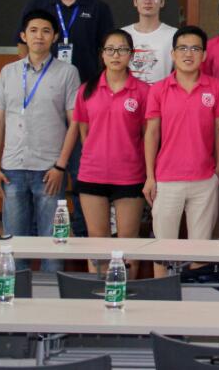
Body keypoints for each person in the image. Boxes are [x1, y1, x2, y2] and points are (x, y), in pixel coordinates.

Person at [17, 0, 113, 237]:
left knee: (82, 171)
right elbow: (23, 48)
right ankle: (41, 238)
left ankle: (83, 236)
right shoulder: (37, 6)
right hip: (45, 102)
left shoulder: (98, 8)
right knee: (43, 175)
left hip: (85, 104)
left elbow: (106, 53)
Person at [0, 10, 81, 271]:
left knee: (53, 245)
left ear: (54, 37)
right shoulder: (8, 72)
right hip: (12, 169)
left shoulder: (67, 72)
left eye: (46, 31)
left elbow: (74, 122)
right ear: (23, 36)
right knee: (14, 245)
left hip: (49, 170)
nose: (39, 36)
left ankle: (51, 292)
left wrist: (61, 166)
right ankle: (17, 291)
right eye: (33, 30)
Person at [144, 26, 219, 277]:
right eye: (182, 48)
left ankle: (197, 294)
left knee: (200, 251)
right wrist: (150, 176)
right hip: (166, 179)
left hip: (204, 179)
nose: (188, 53)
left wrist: (218, 170)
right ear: (172, 54)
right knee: (162, 251)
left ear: (204, 55)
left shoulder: (216, 87)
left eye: (195, 48)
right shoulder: (159, 89)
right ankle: (162, 293)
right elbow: (151, 133)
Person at [73, 29, 149, 275]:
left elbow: (148, 135)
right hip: (92, 173)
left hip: (130, 174)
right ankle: (98, 292)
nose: (116, 55)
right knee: (97, 240)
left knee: (128, 241)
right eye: (110, 49)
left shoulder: (144, 91)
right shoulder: (87, 90)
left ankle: (127, 293)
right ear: (102, 54)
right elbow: (84, 132)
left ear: (131, 55)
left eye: (122, 49)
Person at [122, 0, 177, 84]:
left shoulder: (174, 34)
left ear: (162, 2)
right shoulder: (122, 34)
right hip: (129, 93)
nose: (147, 1)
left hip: (161, 93)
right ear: (135, 1)